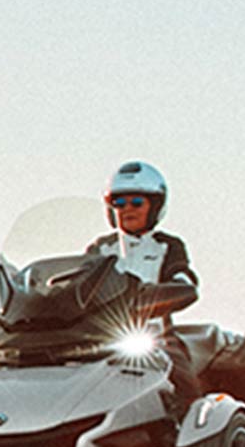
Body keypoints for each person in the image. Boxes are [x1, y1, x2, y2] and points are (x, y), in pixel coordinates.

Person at [92, 161, 221, 412]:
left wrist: (178, 288)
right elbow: (79, 282)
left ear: (154, 207)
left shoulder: (167, 246)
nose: (127, 209)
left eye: (137, 202)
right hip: (103, 339)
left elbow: (182, 276)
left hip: (155, 337)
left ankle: (190, 437)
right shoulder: (100, 248)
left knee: (182, 379)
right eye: (119, 203)